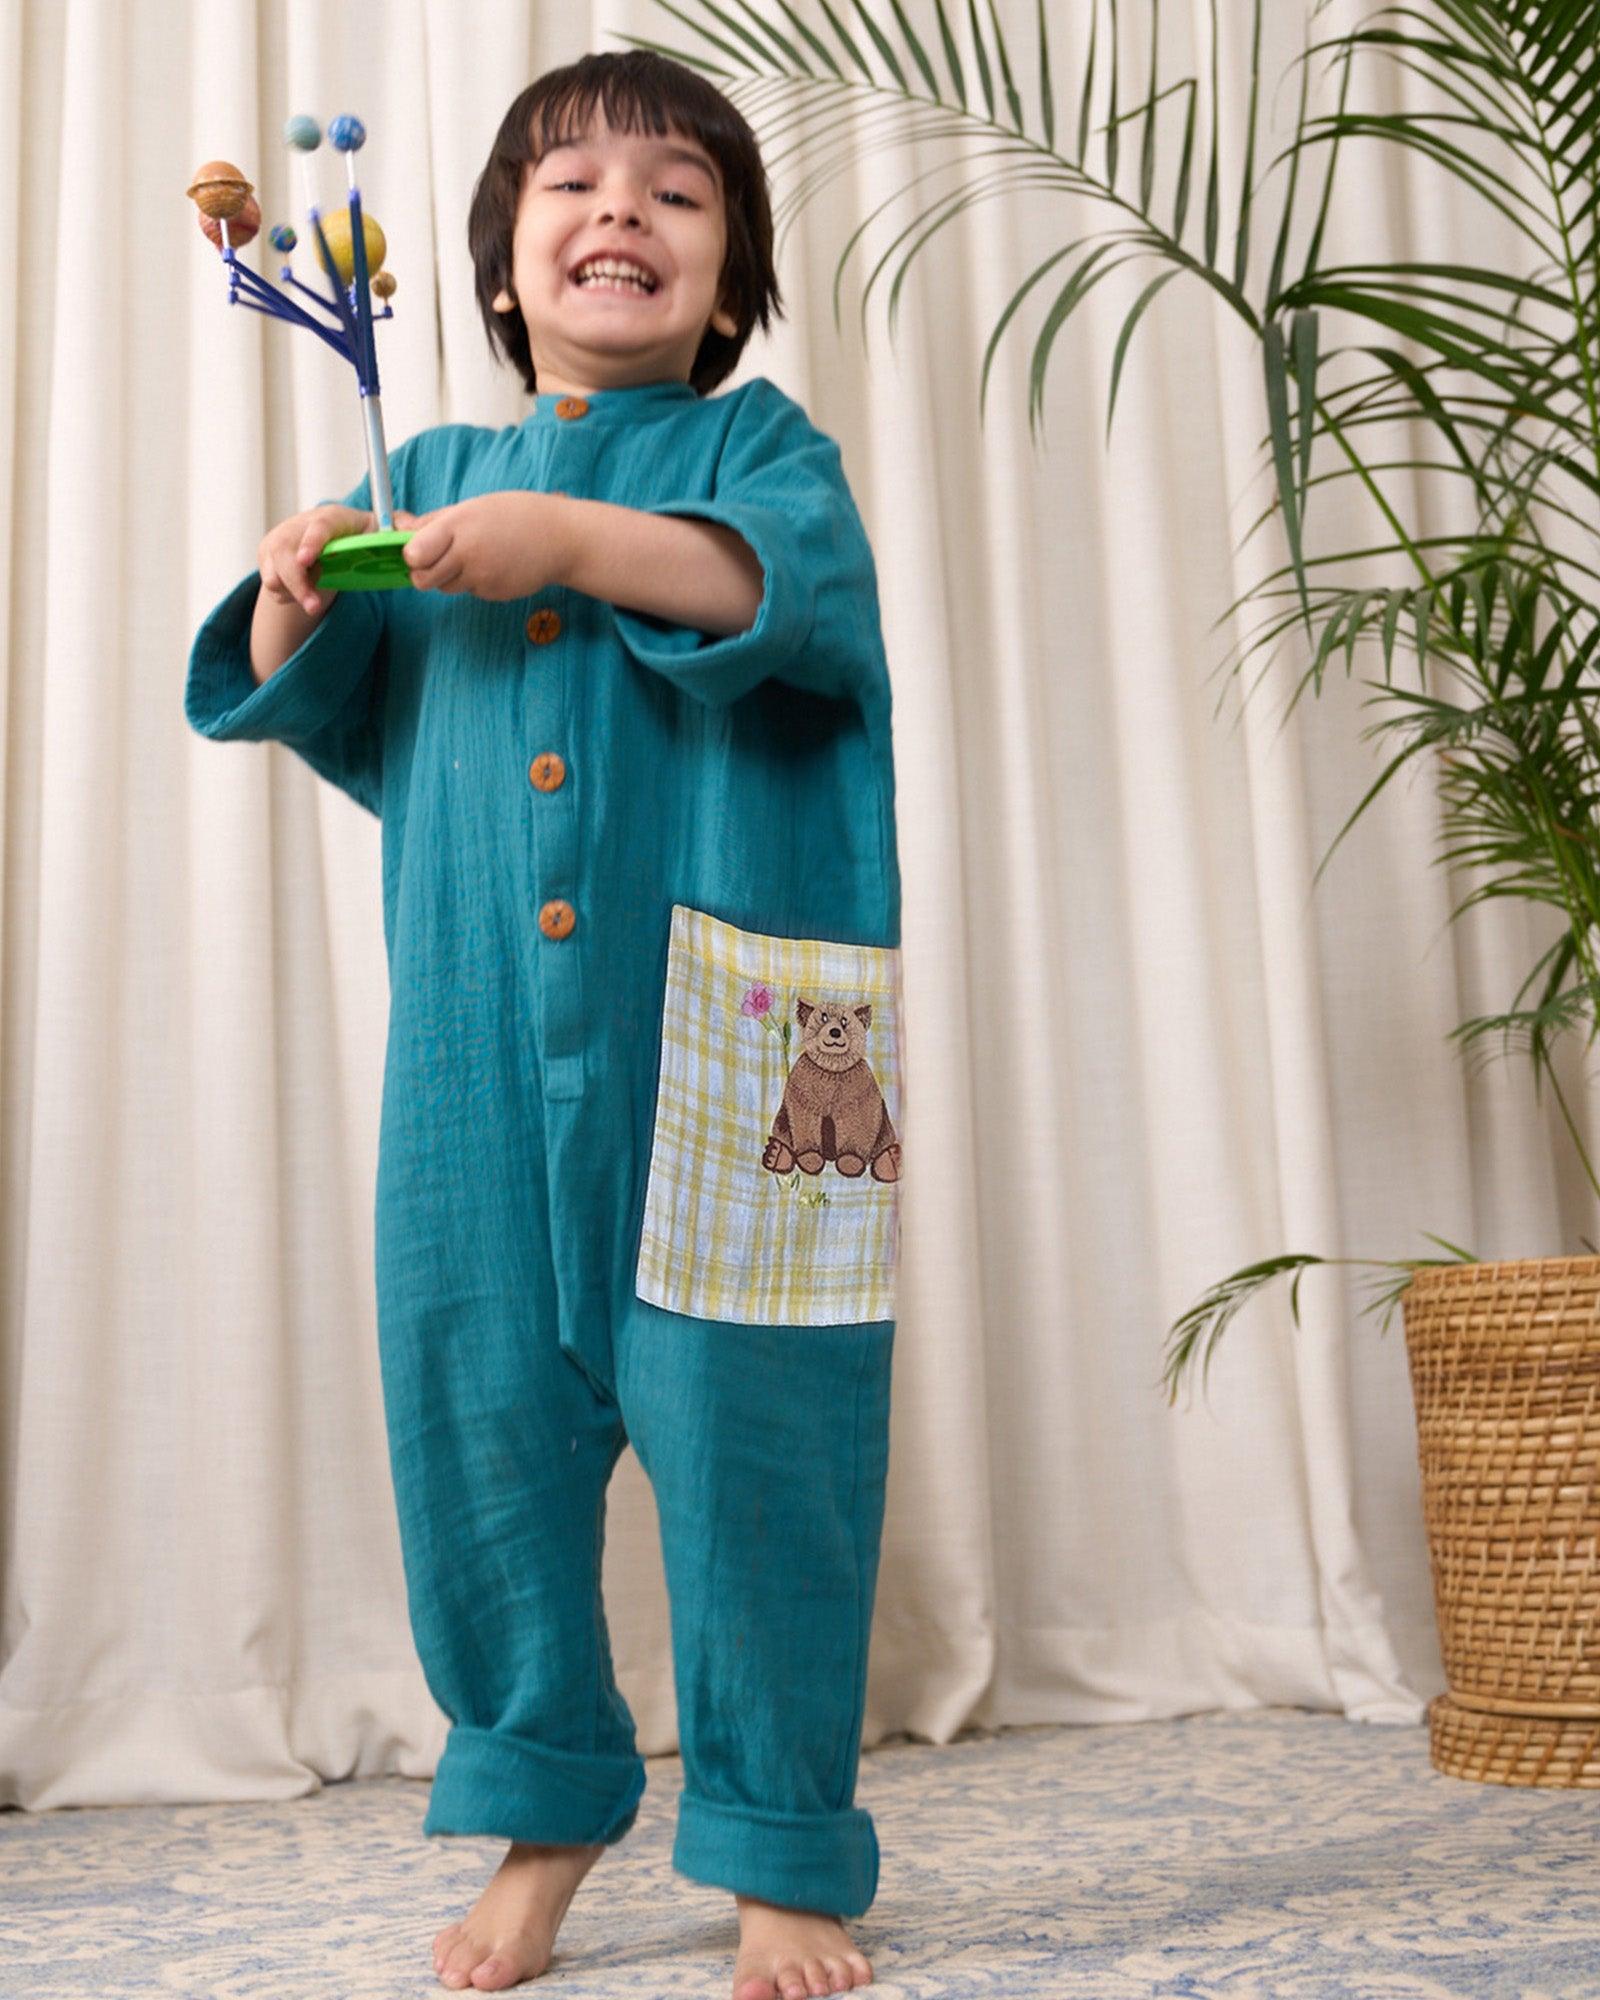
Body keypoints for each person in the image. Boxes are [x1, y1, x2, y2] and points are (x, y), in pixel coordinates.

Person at [185, 47, 903, 2000]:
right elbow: (308, 694)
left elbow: (773, 596)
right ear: (502, 265)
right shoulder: (419, 482)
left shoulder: (762, 450)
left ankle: (774, 1845)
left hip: (762, 1057)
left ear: (729, 274)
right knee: (479, 1432)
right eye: (572, 185)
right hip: (478, 1072)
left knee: (767, 1446)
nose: (620, 213)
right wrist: (295, 582)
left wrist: (563, 541)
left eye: (676, 193)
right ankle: (543, 1805)